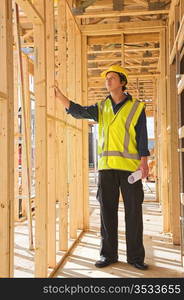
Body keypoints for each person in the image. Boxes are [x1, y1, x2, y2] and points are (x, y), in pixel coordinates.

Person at [54, 65, 150, 270]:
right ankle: (108, 255)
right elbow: (79, 111)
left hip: (130, 168)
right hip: (106, 169)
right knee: (107, 212)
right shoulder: (101, 108)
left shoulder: (137, 107)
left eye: (112, 77)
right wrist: (60, 96)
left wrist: (144, 162)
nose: (108, 81)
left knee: (133, 213)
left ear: (122, 82)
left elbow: (142, 137)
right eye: (107, 78)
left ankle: (135, 258)